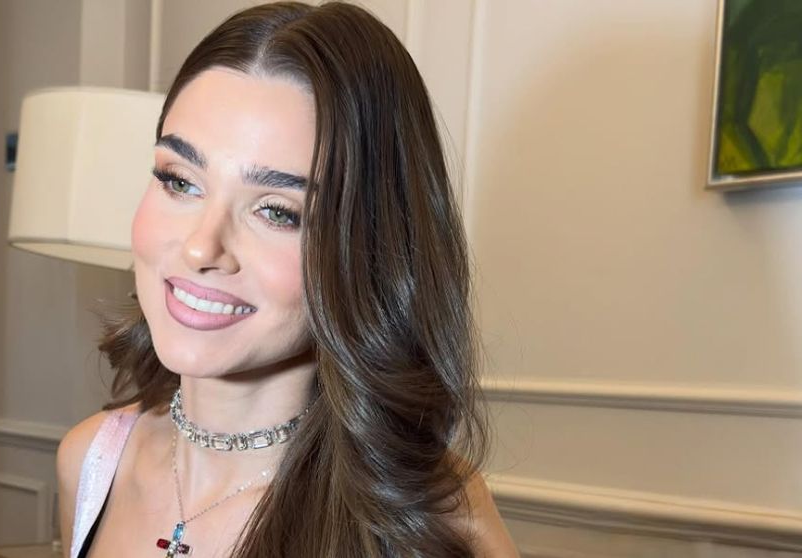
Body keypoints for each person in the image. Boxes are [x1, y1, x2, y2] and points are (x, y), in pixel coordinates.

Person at [57, 2, 518, 556]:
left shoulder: (434, 520)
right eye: (180, 181)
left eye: (277, 212)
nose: (202, 246)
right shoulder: (91, 463)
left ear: (370, 249)